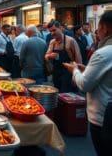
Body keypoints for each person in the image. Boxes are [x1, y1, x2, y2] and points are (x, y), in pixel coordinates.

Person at [63, 10, 112, 156]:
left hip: (103, 116)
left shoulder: (103, 53)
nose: (97, 31)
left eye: (98, 27)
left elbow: (84, 85)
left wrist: (75, 70)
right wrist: (88, 69)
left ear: (104, 28)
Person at [45, 20, 82, 92]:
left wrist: (76, 78)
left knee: (67, 96)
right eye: (50, 31)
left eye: (54, 30)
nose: (52, 33)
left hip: (68, 73)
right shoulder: (52, 42)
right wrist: (49, 56)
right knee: (57, 95)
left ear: (61, 28)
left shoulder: (70, 41)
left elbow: (78, 59)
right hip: (56, 73)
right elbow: (46, 56)